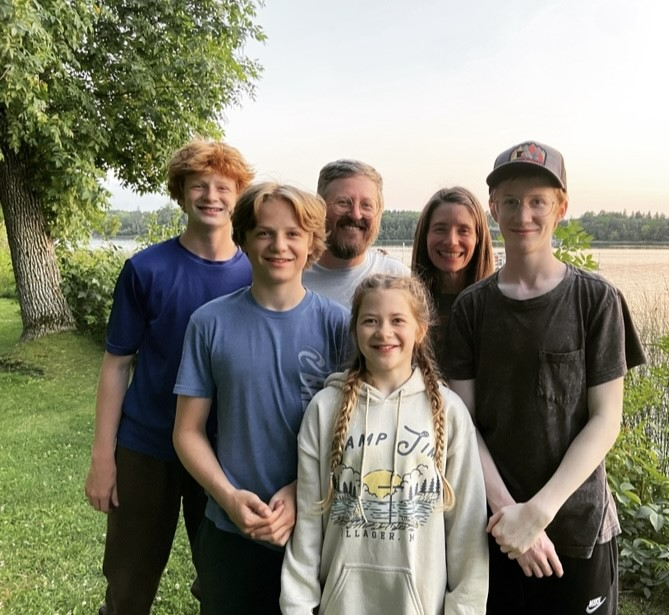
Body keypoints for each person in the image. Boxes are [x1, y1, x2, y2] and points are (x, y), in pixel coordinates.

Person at [444, 141, 646, 615]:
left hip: (577, 528)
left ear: (561, 207)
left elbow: (605, 421)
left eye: (538, 201)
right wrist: (507, 513)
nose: (523, 214)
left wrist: (538, 513)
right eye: (510, 202)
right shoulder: (472, 308)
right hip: (493, 529)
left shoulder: (597, 300)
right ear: (493, 208)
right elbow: (462, 423)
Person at [84, 139, 254, 615]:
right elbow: (118, 364)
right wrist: (103, 457)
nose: (211, 196)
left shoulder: (256, 271)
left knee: (221, 583)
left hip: (223, 451)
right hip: (147, 447)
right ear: (180, 194)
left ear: (239, 194)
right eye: (198, 185)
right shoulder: (145, 269)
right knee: (128, 582)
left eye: (223, 186)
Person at [173, 182, 352, 614]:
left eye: (293, 233)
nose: (279, 245)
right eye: (265, 233)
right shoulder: (209, 323)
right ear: (244, 240)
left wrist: (300, 491)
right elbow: (188, 432)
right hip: (233, 531)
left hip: (320, 531)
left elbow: (355, 433)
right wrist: (228, 498)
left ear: (312, 243)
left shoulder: (340, 326)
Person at [280, 274, 489, 615]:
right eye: (370, 321)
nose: (383, 332)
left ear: (420, 329)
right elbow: (308, 520)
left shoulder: (450, 413)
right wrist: (298, 605)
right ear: (355, 330)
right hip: (342, 604)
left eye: (397, 321)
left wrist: (464, 608)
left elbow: (466, 527)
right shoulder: (324, 409)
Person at [302, 159, 408, 307]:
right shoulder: (292, 276)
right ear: (319, 208)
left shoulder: (397, 277)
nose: (356, 214)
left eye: (366, 205)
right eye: (343, 202)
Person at [410, 187, 495, 366]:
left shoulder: (496, 304)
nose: (451, 241)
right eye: (440, 229)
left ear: (478, 238)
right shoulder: (407, 305)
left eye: (463, 230)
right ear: (425, 236)